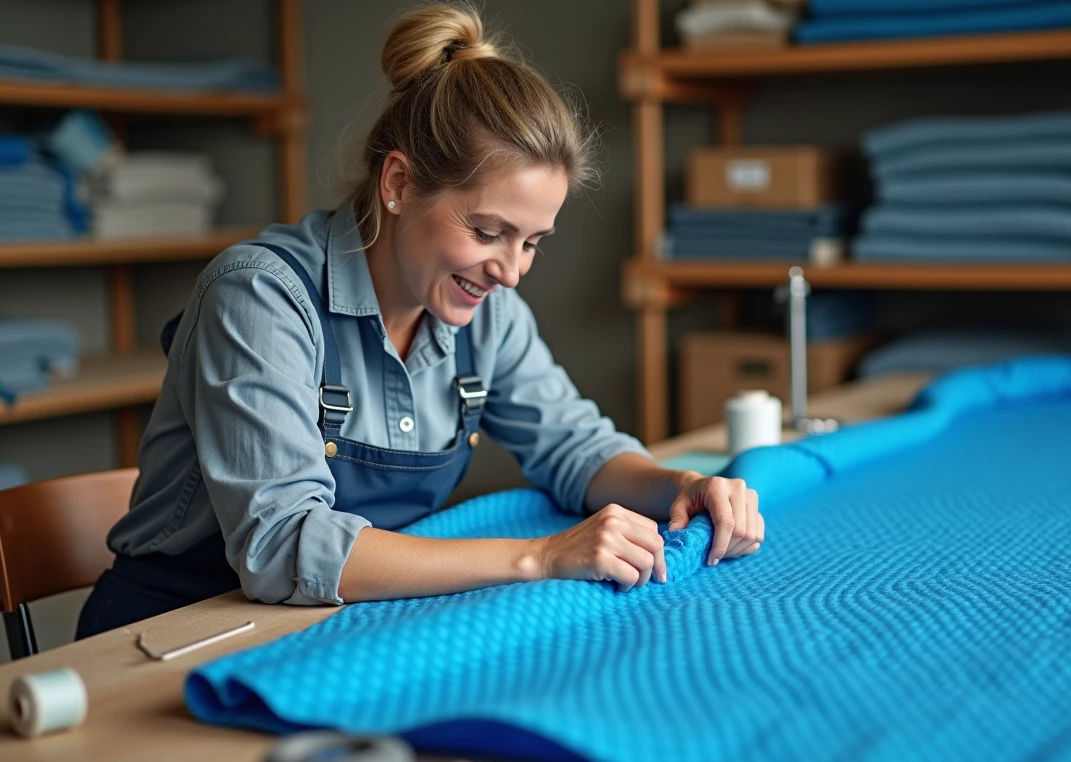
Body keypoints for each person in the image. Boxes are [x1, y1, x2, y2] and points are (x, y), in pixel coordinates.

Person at [76, 3, 764, 639]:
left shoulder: (487, 315)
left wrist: (683, 488)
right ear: (399, 184)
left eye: (532, 242)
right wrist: (541, 557)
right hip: (174, 634)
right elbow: (284, 547)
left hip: (333, 624)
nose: (511, 270)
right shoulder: (259, 298)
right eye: (489, 230)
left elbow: (575, 449)